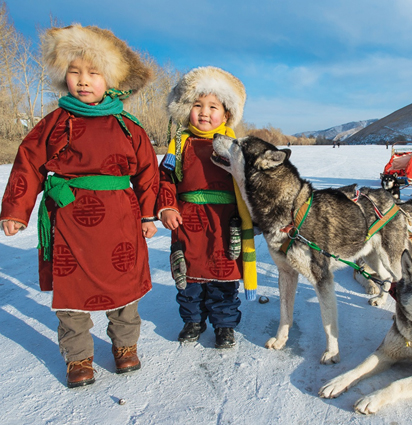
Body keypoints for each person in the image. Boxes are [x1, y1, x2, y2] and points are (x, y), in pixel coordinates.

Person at [0, 25, 159, 388]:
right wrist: (15, 209)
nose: (83, 81)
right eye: (75, 72)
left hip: (121, 218)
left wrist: (149, 213)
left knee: (125, 288)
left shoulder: (128, 126)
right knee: (70, 291)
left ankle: (125, 346)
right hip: (71, 219)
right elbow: (28, 162)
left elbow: (149, 172)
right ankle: (78, 357)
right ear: (63, 77)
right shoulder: (54, 123)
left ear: (112, 79)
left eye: (93, 73)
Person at [157, 66, 256, 349]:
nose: (204, 112)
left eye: (213, 106)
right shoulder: (179, 144)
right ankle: (193, 321)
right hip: (188, 220)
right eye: (197, 105)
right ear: (186, 110)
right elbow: (165, 178)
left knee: (224, 279)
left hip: (226, 222)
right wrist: (166, 206)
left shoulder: (235, 147)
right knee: (187, 277)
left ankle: (224, 325)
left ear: (226, 115)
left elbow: (250, 183)